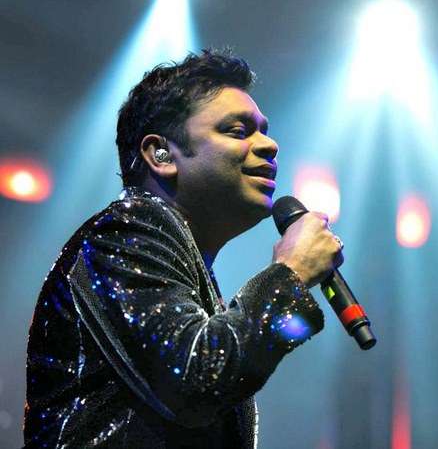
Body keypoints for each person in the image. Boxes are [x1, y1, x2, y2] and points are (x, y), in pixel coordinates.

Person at [24, 49, 343, 448]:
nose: (270, 144)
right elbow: (198, 380)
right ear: (161, 155)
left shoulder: (186, 264)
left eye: (264, 130)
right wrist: (290, 273)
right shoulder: (129, 228)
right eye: (237, 130)